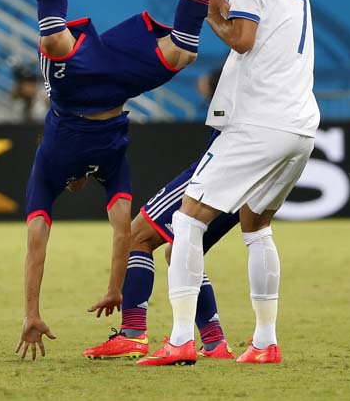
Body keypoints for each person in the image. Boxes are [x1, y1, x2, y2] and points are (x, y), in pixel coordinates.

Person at [15, 0, 253, 361]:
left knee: (53, 40)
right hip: (118, 85)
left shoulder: (46, 167)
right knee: (183, 51)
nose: (77, 186)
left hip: (72, 90)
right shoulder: (109, 166)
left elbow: (39, 244)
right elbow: (119, 229)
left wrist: (34, 311)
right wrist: (107, 289)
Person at [136, 0, 319, 366]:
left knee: (188, 219)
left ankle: (180, 339)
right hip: (299, 125)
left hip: (259, 121)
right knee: (256, 227)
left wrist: (216, 10)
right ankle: (264, 342)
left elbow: (242, 38)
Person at [81, 132, 242, 360]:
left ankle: (133, 333)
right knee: (180, 251)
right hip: (257, 170)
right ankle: (214, 341)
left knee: (137, 235)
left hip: (223, 165)